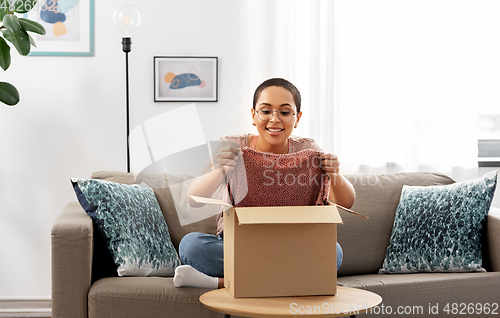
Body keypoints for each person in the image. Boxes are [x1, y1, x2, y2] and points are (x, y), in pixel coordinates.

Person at [173, 78, 355, 289]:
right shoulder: (233, 145)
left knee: (334, 252)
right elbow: (193, 200)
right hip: (238, 244)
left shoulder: (308, 149)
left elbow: (347, 203)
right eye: (266, 111)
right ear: (253, 115)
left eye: (285, 112)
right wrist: (220, 170)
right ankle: (295, 280)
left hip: (294, 245)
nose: (274, 119)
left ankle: (221, 283)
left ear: (297, 118)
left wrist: (335, 174)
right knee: (191, 245)